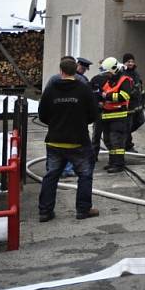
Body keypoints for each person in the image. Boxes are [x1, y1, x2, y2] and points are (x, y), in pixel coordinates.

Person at [37, 57, 99, 222]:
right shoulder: (84, 89)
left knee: (51, 176)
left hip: (55, 141)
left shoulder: (51, 89)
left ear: (61, 71)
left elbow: (42, 114)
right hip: (78, 141)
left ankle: (45, 211)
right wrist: (79, 122)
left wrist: (56, 123)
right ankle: (83, 210)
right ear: (76, 70)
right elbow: (93, 114)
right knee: (85, 175)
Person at [46, 56, 93, 177]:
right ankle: (67, 169)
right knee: (84, 174)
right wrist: (83, 121)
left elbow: (44, 108)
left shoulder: (53, 81)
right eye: (83, 68)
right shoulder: (83, 82)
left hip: (56, 129)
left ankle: (57, 170)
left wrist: (52, 122)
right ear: (76, 66)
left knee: (52, 174)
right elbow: (91, 109)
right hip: (77, 130)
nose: (83, 70)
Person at [99, 57, 133, 173]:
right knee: (108, 141)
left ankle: (119, 164)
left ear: (113, 70)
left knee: (116, 142)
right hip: (107, 116)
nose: (106, 75)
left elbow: (124, 96)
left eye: (108, 72)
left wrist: (106, 97)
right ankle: (112, 162)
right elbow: (103, 93)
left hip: (119, 117)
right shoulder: (110, 81)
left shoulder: (125, 80)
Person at [121, 53, 144, 153]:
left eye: (132, 61)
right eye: (128, 61)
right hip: (128, 106)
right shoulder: (122, 73)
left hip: (138, 105)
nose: (130, 63)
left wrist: (143, 96)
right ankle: (128, 146)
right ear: (124, 63)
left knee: (140, 121)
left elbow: (140, 85)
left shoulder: (136, 73)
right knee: (128, 126)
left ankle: (124, 137)